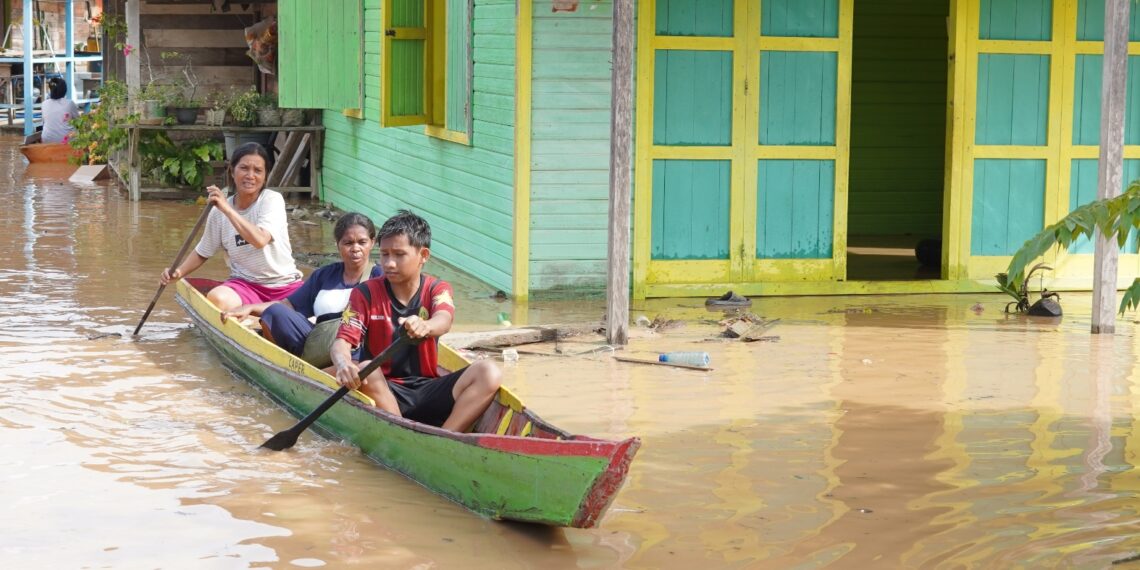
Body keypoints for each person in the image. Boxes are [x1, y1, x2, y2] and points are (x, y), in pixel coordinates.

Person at [331, 210, 501, 431]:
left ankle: (446, 437)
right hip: (382, 389)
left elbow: (444, 319)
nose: (389, 264)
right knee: (366, 368)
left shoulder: (436, 289)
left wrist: (426, 326)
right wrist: (343, 364)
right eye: (384, 255)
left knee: (489, 371)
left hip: (428, 390)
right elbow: (342, 341)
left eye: (399, 255)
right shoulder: (364, 294)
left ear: (424, 255)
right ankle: (402, 433)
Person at [220, 212, 383, 367]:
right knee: (274, 312)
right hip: (318, 344)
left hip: (355, 350)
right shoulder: (325, 274)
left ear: (372, 243)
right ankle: (286, 366)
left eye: (362, 242)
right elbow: (289, 305)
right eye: (348, 243)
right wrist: (250, 308)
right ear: (337, 244)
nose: (355, 248)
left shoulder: (379, 277)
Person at [159, 142, 303, 311]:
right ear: (232, 171)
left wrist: (227, 209)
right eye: (244, 168)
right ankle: (255, 312)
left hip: (285, 286)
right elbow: (203, 251)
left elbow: (260, 240)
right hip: (246, 286)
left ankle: (259, 312)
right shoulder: (218, 211)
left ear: (265, 176)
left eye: (258, 170)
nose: (250, 175)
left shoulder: (271, 200)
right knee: (217, 299)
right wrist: (178, 273)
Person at [41, 78, 80, 144]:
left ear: (50, 90)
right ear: (64, 90)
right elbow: (79, 122)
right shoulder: (70, 103)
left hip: (47, 139)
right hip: (67, 140)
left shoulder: (44, 104)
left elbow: (44, 122)